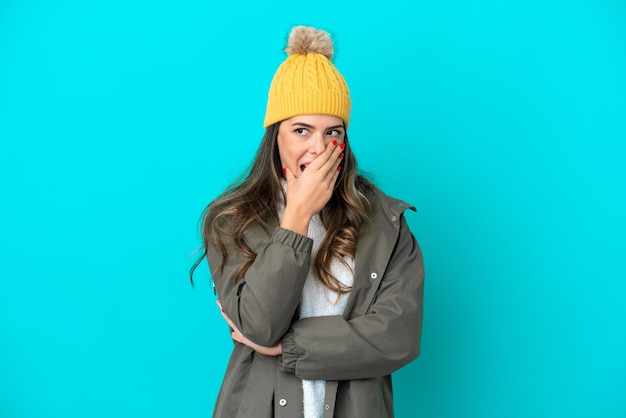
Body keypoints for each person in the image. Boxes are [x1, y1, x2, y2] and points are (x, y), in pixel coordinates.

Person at [191, 25, 425, 418]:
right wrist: (297, 216)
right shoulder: (231, 221)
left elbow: (398, 337)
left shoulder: (386, 222)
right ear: (275, 136)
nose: (318, 149)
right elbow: (259, 327)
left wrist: (288, 347)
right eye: (302, 130)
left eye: (333, 132)